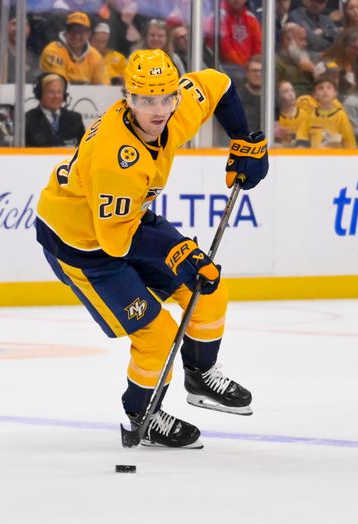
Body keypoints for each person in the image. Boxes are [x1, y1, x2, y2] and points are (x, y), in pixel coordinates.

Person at [34, 49, 268, 449]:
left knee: (208, 291)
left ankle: (200, 375)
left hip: (129, 220)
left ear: (177, 95)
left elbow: (220, 85)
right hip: (81, 245)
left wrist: (245, 140)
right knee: (157, 334)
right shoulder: (116, 158)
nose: (157, 110)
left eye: (165, 98)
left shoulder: (175, 108)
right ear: (128, 98)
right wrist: (176, 253)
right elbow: (114, 243)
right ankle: (143, 412)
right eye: (145, 100)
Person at [40, 11, 110, 85]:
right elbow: (58, 86)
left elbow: (103, 87)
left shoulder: (96, 57)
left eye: (81, 32)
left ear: (88, 34)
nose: (76, 36)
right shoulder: (53, 51)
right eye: (72, 31)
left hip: (88, 96)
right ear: (66, 32)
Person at [25, 72, 86, 147]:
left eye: (59, 92)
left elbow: (85, 150)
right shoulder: (28, 120)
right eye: (51, 92)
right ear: (40, 94)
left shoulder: (75, 119)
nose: (56, 96)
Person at [296, 73, 356, 148]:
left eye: (329, 87)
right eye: (320, 88)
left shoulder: (341, 116)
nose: (325, 90)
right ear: (314, 95)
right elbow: (302, 137)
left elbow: (350, 143)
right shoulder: (309, 115)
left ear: (335, 93)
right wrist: (301, 147)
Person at [204, 0, 262, 67]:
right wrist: (244, 66)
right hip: (221, 68)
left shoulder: (251, 19)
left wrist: (250, 66)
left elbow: (258, 50)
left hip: (247, 70)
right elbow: (226, 50)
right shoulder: (217, 17)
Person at [276, 23, 317, 97]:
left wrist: (314, 71)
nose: (305, 44)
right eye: (301, 39)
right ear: (287, 39)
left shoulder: (309, 60)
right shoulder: (275, 62)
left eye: (305, 40)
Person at [275, 79, 309, 146]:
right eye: (285, 92)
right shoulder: (276, 118)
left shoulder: (303, 114)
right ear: (278, 97)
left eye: (292, 90)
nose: (291, 94)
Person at [6, 16, 39, 84]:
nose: (19, 29)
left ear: (28, 29)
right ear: (6, 27)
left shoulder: (34, 58)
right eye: (14, 24)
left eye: (24, 25)